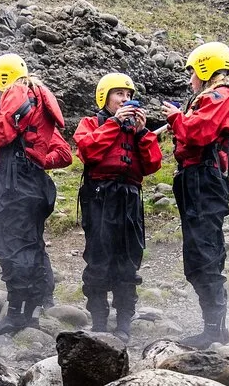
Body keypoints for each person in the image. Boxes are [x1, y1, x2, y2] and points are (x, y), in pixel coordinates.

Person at [161, 41, 229, 349]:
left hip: (203, 179)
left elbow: (198, 132)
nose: (191, 79)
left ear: (205, 69)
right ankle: (215, 328)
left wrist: (176, 118)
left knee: (204, 253)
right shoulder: (224, 97)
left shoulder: (220, 95)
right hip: (201, 179)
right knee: (201, 252)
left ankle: (214, 331)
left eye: (192, 72)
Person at [0, 53, 65, 336]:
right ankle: (30, 313)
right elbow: (18, 129)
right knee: (31, 247)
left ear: (3, 77)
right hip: (33, 180)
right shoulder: (35, 93)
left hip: (15, 180)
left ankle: (15, 315)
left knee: (12, 248)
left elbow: (3, 131)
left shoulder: (16, 89)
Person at [73, 73, 162, 343]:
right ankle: (99, 321)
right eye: (119, 94)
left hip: (129, 200)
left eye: (128, 95)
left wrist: (143, 133)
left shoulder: (137, 131)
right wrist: (114, 124)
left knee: (127, 262)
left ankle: (124, 322)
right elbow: (87, 150)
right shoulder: (92, 123)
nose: (125, 99)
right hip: (100, 198)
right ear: (105, 97)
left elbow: (152, 164)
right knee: (98, 259)